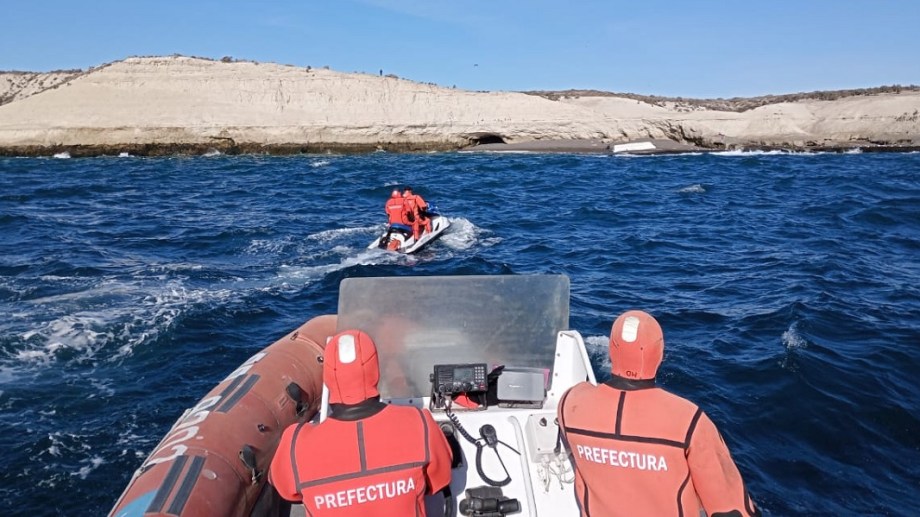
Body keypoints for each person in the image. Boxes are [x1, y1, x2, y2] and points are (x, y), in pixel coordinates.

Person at [558, 310, 760, 517]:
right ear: (660, 354)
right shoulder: (689, 421)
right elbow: (730, 510)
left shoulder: (570, 403)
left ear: (611, 350)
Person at [269, 329, 453, 516]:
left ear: (328, 376)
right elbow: (440, 480)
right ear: (376, 371)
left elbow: (286, 490)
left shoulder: (295, 444)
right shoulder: (419, 424)